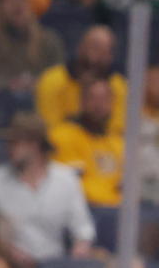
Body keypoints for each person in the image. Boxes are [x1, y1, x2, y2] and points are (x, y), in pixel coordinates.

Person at [0, 114, 95, 263]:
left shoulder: (66, 180)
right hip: (9, 267)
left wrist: (79, 251)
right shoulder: (0, 180)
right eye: (9, 142)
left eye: (15, 143)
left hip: (53, 265)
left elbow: (83, 230)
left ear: (35, 145)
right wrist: (9, 252)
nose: (9, 148)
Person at [51, 76, 126, 208]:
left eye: (105, 99)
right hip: (82, 211)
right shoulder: (63, 135)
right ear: (82, 102)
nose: (99, 105)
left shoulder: (118, 143)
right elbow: (71, 187)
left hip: (116, 212)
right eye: (93, 98)